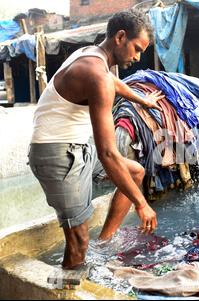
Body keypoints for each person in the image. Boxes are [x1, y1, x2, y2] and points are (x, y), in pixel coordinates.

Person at [28, 8, 163, 270]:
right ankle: (66, 291)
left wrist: (143, 99)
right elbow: (108, 154)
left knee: (135, 171)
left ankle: (104, 242)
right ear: (120, 37)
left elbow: (113, 82)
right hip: (56, 153)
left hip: (75, 147)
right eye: (136, 49)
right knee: (78, 243)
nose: (137, 57)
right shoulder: (96, 73)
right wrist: (142, 204)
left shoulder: (93, 56)